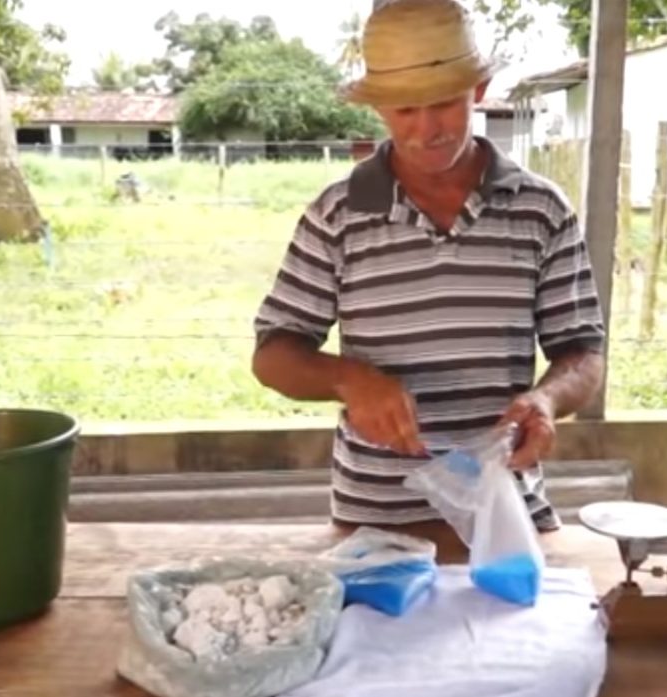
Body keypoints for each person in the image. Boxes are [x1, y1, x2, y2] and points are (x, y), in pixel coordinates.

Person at [252, 0, 605, 547]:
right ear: (379, 109)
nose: (425, 130)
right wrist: (349, 378)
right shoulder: (339, 215)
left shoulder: (541, 210)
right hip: (374, 520)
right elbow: (273, 354)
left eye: (443, 104)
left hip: (506, 513)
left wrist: (547, 400)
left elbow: (582, 351)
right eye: (403, 111)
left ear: (480, 89)